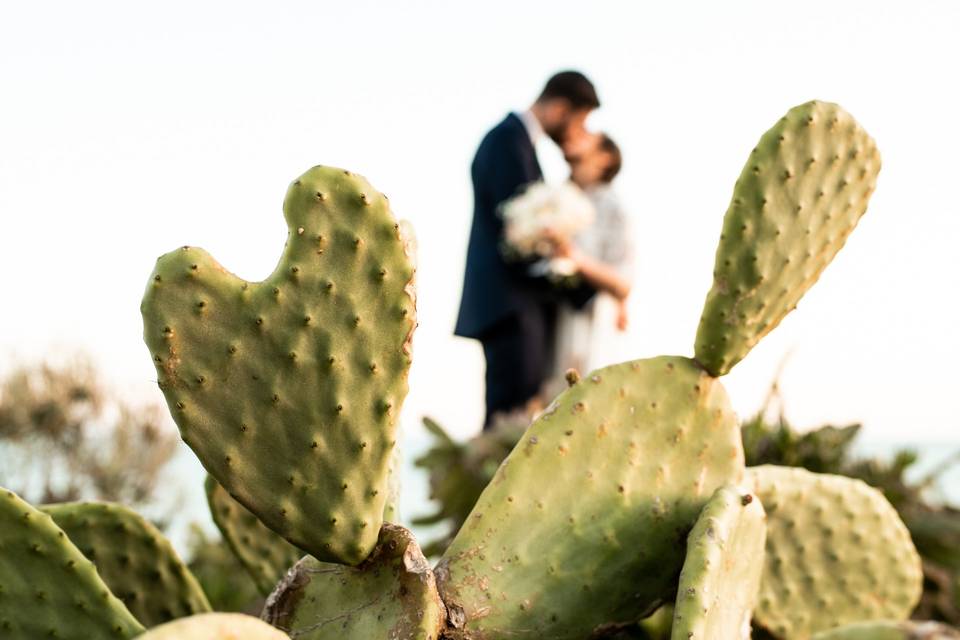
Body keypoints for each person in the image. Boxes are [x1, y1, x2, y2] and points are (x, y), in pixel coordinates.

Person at [454, 71, 600, 429]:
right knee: (509, 421)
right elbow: (517, 230)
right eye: (577, 120)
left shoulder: (517, 142)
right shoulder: (506, 141)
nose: (572, 131)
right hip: (509, 305)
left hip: (515, 305)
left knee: (517, 413)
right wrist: (575, 280)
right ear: (560, 108)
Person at [548, 132, 633, 378]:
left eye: (587, 139)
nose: (577, 138)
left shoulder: (614, 209)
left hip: (592, 328)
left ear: (604, 158)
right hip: (551, 323)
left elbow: (623, 282)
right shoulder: (557, 197)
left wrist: (576, 259)